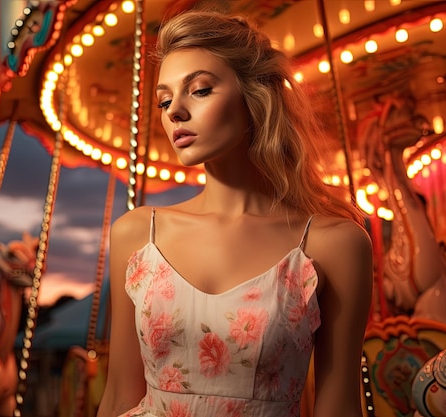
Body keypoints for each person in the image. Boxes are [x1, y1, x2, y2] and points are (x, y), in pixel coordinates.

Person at [97, 9, 373, 417]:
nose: (174, 111)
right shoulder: (138, 234)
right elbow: (120, 394)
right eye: (165, 99)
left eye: (201, 89)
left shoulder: (332, 244)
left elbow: (339, 405)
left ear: (255, 95)